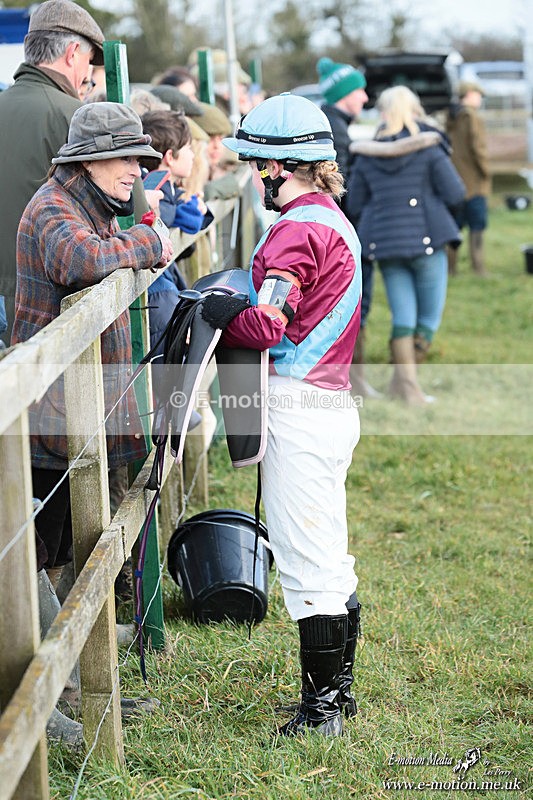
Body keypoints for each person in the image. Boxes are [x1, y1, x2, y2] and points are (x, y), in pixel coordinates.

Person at [11, 101, 173, 745]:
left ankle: (77, 683)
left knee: (66, 549)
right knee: (38, 556)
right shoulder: (53, 207)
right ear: (90, 159)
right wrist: (150, 242)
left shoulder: (91, 207)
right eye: (129, 157)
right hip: (54, 416)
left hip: (78, 412)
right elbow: (79, 262)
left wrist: (134, 239)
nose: (138, 170)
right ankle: (57, 700)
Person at [220, 93, 362, 737]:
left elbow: (267, 324)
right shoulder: (332, 217)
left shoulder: (296, 230)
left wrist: (220, 311)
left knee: (307, 561)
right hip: (332, 402)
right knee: (329, 551)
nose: (255, 177)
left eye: (258, 166)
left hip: (298, 405)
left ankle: (322, 709)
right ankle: (339, 696)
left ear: (281, 167)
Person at [347, 86, 465, 405]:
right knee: (427, 320)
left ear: (383, 113)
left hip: (385, 246)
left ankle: (405, 387)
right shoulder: (429, 148)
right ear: (414, 110)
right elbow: (455, 192)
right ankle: (407, 388)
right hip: (427, 241)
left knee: (403, 316)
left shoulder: (367, 154)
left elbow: (355, 202)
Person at [0, 0, 105, 347]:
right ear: (73, 53)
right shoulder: (75, 116)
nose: (88, 74)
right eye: (89, 61)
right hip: (43, 309)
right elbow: (130, 206)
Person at [316, 57, 380, 399]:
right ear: (345, 93)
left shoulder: (335, 124)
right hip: (344, 235)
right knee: (354, 306)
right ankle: (352, 382)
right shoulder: (334, 129)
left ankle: (353, 380)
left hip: (340, 234)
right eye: (360, 91)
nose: (366, 99)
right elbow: (341, 191)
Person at [446, 80, 490, 276]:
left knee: (455, 227)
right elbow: (478, 149)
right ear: (470, 94)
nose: (480, 99)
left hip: (454, 181)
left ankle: (451, 269)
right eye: (478, 95)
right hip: (474, 182)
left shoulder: (450, 116)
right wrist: (486, 172)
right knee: (477, 225)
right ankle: (478, 267)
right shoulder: (471, 117)